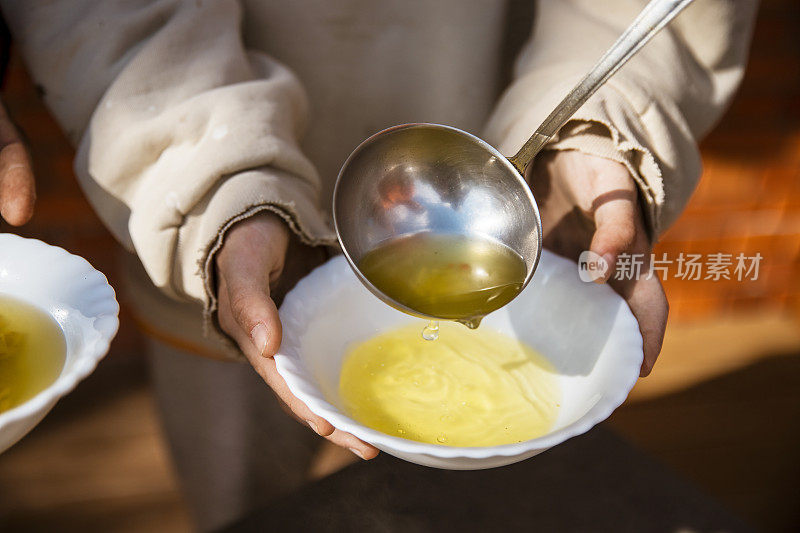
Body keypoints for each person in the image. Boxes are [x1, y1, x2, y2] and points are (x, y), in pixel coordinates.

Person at [0, 0, 757, 529]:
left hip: (522, 172)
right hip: (210, 224)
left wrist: (595, 124)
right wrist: (214, 185)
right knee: (242, 507)